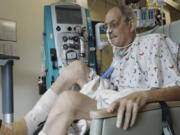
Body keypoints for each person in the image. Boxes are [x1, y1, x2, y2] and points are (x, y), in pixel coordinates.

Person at [0, 5, 180, 135]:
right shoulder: (120, 56)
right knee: (76, 68)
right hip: (112, 94)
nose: (108, 31)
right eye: (107, 26)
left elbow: (177, 89)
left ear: (131, 25)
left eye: (114, 24)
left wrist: (145, 96)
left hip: (131, 102)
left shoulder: (155, 42)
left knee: (69, 100)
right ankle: (25, 125)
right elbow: (110, 85)